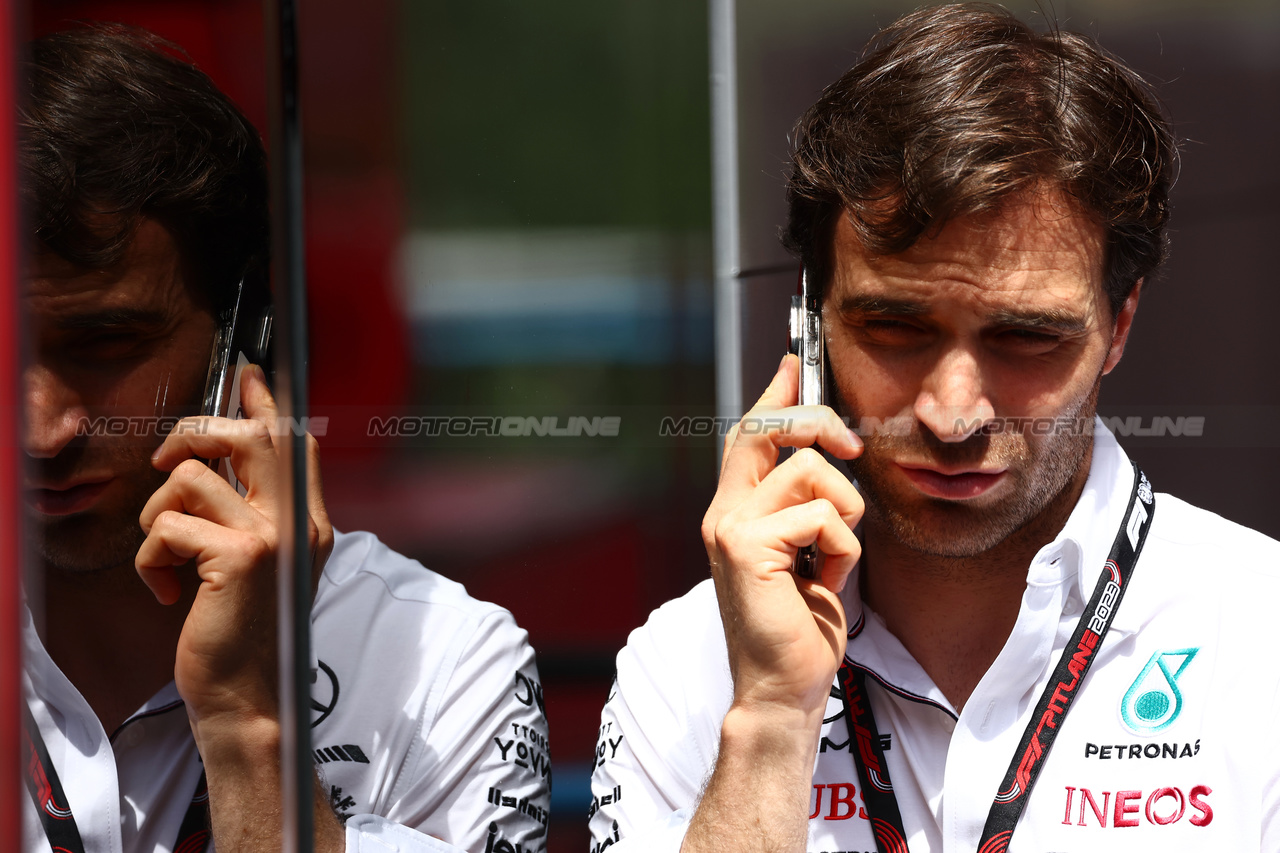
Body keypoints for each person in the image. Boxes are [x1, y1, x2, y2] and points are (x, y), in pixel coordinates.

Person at [590, 5, 1280, 852]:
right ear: (809, 329)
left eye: (1026, 336)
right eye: (896, 329)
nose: (954, 413)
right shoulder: (688, 663)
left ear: (1120, 324)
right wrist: (771, 721)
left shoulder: (1261, 636)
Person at [20, 26, 550, 853]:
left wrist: (250, 729)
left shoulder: (446, 661)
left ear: (245, 340)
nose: (40, 429)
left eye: (104, 345)